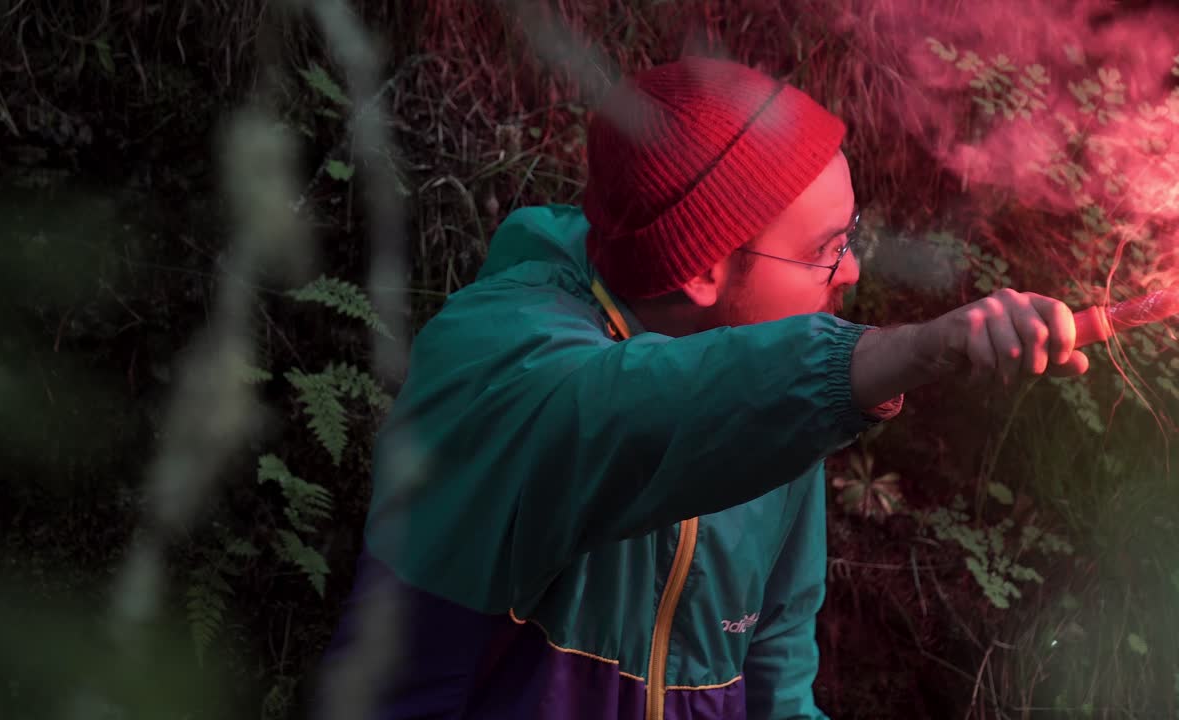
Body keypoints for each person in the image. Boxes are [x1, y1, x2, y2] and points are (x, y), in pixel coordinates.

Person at [316, 56, 1089, 720]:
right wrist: (900, 352)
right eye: (828, 250)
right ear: (700, 267)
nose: (850, 273)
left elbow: (776, 673)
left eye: (851, 240)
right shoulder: (496, 367)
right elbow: (633, 412)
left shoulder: (773, 398)